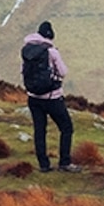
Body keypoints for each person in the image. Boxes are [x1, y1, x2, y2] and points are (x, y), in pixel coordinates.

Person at [18, 19, 72, 171]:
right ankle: (64, 163)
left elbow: (22, 71)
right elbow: (63, 72)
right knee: (66, 128)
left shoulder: (27, 50)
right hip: (52, 97)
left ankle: (44, 165)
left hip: (33, 97)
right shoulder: (51, 51)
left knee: (40, 131)